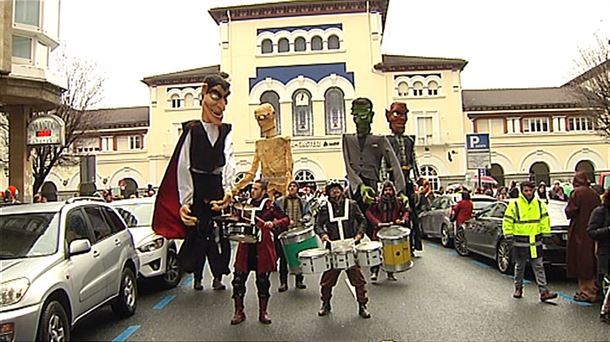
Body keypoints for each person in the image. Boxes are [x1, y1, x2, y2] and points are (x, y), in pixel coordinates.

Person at [152, 73, 235, 292]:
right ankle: (197, 276)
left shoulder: (226, 131)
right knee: (198, 238)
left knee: (219, 239)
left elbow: (228, 161)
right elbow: (183, 166)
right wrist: (185, 201)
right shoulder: (192, 130)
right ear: (204, 93)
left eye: (225, 99)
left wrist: (227, 192)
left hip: (216, 190)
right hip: (198, 190)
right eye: (216, 96)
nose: (221, 105)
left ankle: (218, 275)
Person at [230, 179, 290, 325]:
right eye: (252, 188)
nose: (252, 191)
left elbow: (286, 219)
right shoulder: (245, 204)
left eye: (256, 189)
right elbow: (237, 217)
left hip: (262, 247)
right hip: (246, 246)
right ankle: (239, 311)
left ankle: (263, 312)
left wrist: (273, 223)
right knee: (238, 281)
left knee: (262, 282)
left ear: (263, 191)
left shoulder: (270, 205)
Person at [315, 180, 371, 319]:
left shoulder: (352, 205)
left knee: (358, 279)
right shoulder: (324, 208)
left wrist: (359, 234)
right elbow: (317, 225)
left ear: (342, 191)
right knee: (327, 280)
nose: (335, 191)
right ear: (328, 193)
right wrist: (323, 235)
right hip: (333, 246)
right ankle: (326, 304)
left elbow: (363, 220)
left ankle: (362, 305)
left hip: (350, 245)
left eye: (337, 189)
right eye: (332, 189)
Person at [342, 98, 405, 215]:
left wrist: (400, 191)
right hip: (354, 187)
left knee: (373, 215)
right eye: (355, 116)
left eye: (363, 116)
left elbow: (395, 165)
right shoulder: (347, 139)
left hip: (372, 184)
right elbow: (348, 166)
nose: (359, 120)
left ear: (371, 116)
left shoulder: (380, 140)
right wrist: (359, 186)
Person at [502, 181, 557, 302]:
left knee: (539, 266)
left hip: (535, 241)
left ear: (534, 191)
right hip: (520, 241)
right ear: (521, 191)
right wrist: (508, 235)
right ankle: (518, 288)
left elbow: (544, 219)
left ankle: (544, 292)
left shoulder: (539, 204)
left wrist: (546, 233)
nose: (528, 193)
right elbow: (507, 220)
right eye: (525, 190)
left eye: (530, 190)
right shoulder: (515, 204)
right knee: (520, 267)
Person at [383, 102, 423, 255]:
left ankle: (411, 245)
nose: (401, 118)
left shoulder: (409, 141)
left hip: (407, 182)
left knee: (411, 215)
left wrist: (419, 178)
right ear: (388, 117)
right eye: (396, 114)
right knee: (391, 214)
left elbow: (413, 159)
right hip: (392, 182)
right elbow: (383, 161)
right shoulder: (386, 140)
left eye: (404, 114)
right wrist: (385, 182)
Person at [234, 103, 293, 200]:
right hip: (267, 187)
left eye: (263, 117)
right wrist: (236, 187)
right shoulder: (259, 144)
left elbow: (289, 169)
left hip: (283, 185)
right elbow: (252, 171)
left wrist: (288, 189)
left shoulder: (283, 141)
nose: (261, 123)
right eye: (257, 119)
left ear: (273, 115)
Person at [565, 171, 601, 302]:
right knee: (591, 260)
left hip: (579, 231)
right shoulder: (593, 193)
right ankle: (594, 288)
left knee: (581, 261)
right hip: (593, 231)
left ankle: (587, 292)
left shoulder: (577, 193)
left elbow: (570, 211)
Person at [365, 180, 408, 282]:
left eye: (390, 190)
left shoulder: (398, 202)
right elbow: (368, 212)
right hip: (379, 230)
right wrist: (377, 223)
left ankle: (390, 273)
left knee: (390, 252)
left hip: (392, 230)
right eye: (386, 190)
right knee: (377, 252)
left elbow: (405, 211)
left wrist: (402, 220)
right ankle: (374, 272)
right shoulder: (377, 202)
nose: (388, 192)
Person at [274, 180, 308, 291]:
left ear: (297, 189)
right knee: (283, 258)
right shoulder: (280, 201)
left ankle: (299, 280)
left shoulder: (302, 202)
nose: (292, 188)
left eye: (294, 186)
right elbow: (275, 213)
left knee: (299, 257)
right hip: (285, 233)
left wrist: (304, 220)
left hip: (298, 232)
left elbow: (308, 213)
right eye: (290, 186)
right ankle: (283, 282)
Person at [587, 188, 610, 323]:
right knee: (607, 281)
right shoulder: (600, 211)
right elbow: (591, 231)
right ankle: (605, 310)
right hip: (606, 251)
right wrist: (608, 230)